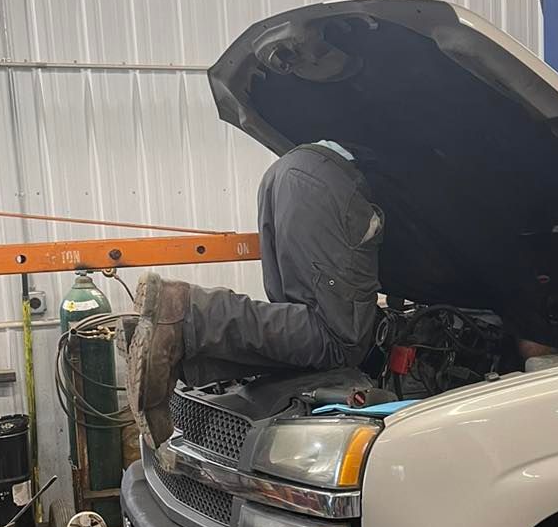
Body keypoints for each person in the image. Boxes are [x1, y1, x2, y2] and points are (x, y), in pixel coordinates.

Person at [123, 141, 383, 448]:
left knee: (305, 334)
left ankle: (175, 352)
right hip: (326, 182)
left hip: (287, 175)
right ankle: (185, 316)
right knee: (341, 340)